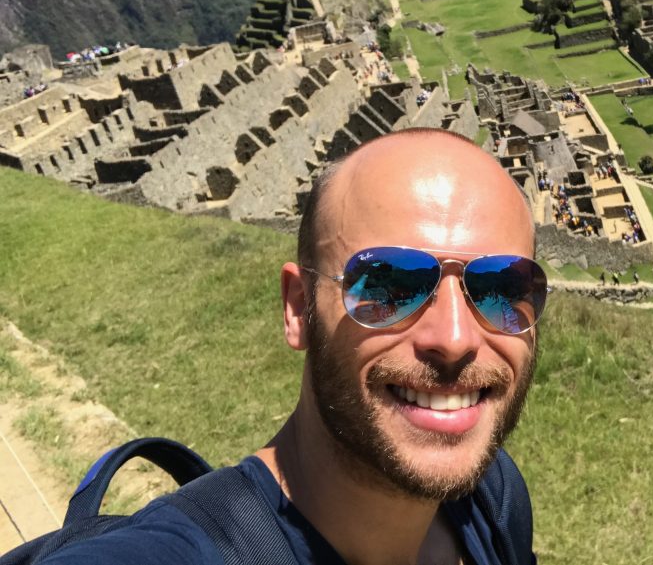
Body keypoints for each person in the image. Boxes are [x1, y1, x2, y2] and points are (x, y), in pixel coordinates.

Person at [37, 129, 543, 564]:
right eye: (389, 285)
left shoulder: (495, 500)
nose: (454, 339)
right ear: (298, 306)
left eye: (503, 288)